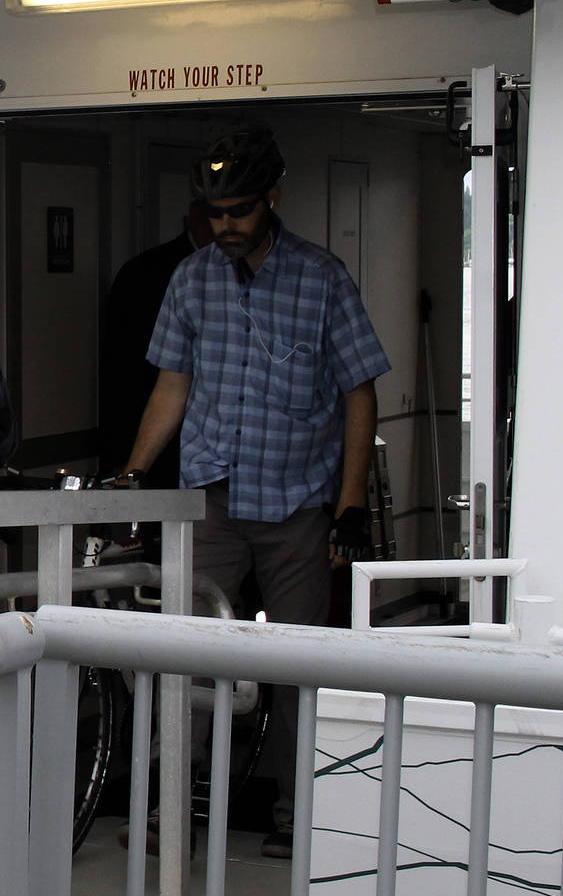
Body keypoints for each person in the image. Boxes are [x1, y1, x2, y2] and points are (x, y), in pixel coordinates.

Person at [112, 125, 389, 856]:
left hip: (297, 503)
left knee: (297, 667)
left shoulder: (322, 279)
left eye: (239, 210)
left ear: (273, 198)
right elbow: (173, 385)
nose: (225, 226)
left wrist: (351, 504)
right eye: (214, 212)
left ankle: (299, 811)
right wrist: (137, 473)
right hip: (211, 497)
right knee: (190, 656)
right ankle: (171, 805)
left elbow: (360, 394)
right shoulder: (193, 279)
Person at [98, 198, 211, 488]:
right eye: (218, 213)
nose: (228, 225)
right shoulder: (149, 272)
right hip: (151, 430)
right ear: (196, 214)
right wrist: (123, 457)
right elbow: (120, 371)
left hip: (212, 456)